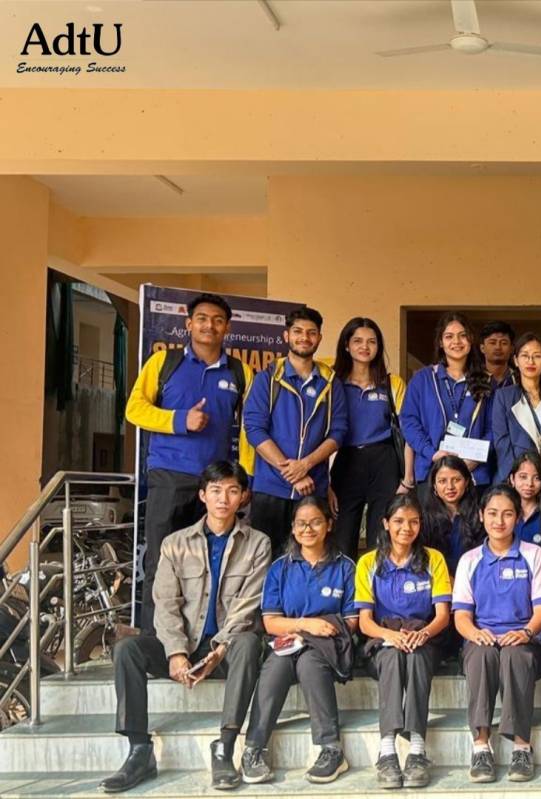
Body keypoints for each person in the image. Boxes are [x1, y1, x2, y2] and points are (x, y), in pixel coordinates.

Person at [100, 461, 269, 793]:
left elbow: (248, 604)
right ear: (202, 495)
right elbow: (165, 602)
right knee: (127, 649)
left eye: (232, 491)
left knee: (249, 642)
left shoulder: (258, 543)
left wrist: (219, 649)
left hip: (227, 650)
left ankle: (224, 747)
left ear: (244, 497)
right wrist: (176, 653)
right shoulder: (175, 543)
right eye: (216, 491)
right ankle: (139, 750)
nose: (223, 499)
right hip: (185, 647)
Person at [124, 292, 255, 632]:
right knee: (160, 562)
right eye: (202, 319)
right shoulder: (163, 363)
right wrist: (180, 419)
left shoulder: (240, 372)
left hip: (215, 484)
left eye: (218, 320)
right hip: (169, 475)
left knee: (207, 564)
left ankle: (198, 638)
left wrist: (246, 479)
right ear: (188, 324)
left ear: (227, 328)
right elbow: (134, 410)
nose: (209, 325)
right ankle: (155, 640)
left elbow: (249, 429)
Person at [241, 497, 359, 785]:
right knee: (275, 667)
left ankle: (331, 748)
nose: (308, 529)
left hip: (328, 644)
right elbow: (271, 622)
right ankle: (253, 748)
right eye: (301, 523)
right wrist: (305, 626)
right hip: (288, 641)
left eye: (316, 522)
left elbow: (352, 621)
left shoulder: (344, 567)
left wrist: (312, 632)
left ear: (329, 524)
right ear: (293, 528)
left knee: (310, 663)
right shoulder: (280, 568)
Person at [452, 485, 541, 783]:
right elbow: (461, 616)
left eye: (508, 514)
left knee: (514, 656)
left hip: (527, 640)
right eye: (493, 513)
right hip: (482, 637)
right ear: (481, 515)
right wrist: (475, 633)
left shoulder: (533, 555)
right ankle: (481, 746)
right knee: (481, 656)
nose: (499, 521)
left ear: (518, 517)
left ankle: (521, 746)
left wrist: (526, 632)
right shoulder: (470, 560)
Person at [355, 494, 453, 788]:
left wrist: (423, 634)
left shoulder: (433, 559)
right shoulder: (368, 563)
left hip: (425, 637)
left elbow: (442, 616)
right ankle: (387, 751)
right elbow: (364, 621)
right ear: (386, 523)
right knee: (392, 657)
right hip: (383, 639)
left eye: (413, 522)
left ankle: (417, 750)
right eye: (398, 521)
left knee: (417, 657)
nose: (406, 528)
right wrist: (391, 636)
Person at [244, 307, 348, 553]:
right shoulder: (267, 379)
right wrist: (293, 473)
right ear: (286, 336)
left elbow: (338, 432)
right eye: (298, 331)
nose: (305, 337)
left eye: (311, 333)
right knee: (266, 559)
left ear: (319, 338)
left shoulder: (331, 382)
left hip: (313, 488)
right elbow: (255, 430)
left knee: (311, 558)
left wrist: (306, 465)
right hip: (270, 488)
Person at [329, 317, 407, 559]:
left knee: (380, 536)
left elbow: (407, 431)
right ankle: (346, 583)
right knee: (342, 536)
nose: (365, 346)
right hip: (346, 460)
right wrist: (326, 483)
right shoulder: (333, 383)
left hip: (383, 460)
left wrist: (407, 479)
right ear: (346, 345)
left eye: (372, 341)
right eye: (358, 341)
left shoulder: (391, 383)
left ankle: (375, 582)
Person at [400, 312, 494, 491]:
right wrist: (432, 453)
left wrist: (475, 458)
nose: (456, 342)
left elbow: (494, 427)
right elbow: (409, 423)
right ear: (440, 343)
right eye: (449, 336)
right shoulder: (423, 379)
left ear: (471, 340)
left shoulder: (487, 381)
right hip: (431, 472)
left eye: (462, 335)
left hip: (474, 475)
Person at [492, 332, 541, 482]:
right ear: (516, 360)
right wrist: (516, 477)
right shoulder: (503, 397)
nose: (530, 361)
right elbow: (502, 444)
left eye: (537, 356)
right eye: (525, 356)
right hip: (513, 478)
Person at [422, 455, 480, 576]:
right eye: (442, 481)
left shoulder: (480, 515)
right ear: (434, 486)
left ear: (466, 482)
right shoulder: (424, 519)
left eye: (456, 480)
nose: (450, 487)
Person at [480, 320, 516, 389]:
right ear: (482, 348)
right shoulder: (472, 379)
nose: (498, 347)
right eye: (492, 343)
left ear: (511, 349)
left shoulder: (520, 378)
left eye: (504, 343)